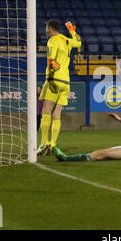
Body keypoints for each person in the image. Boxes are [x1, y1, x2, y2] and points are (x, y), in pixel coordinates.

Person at [37, 19, 82, 155]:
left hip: (54, 79)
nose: (46, 31)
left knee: (46, 111)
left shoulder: (52, 40)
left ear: (50, 28)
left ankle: (44, 142)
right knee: (57, 113)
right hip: (66, 82)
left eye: (47, 28)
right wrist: (72, 31)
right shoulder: (67, 40)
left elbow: (52, 58)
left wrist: (50, 74)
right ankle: (53, 143)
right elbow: (78, 42)